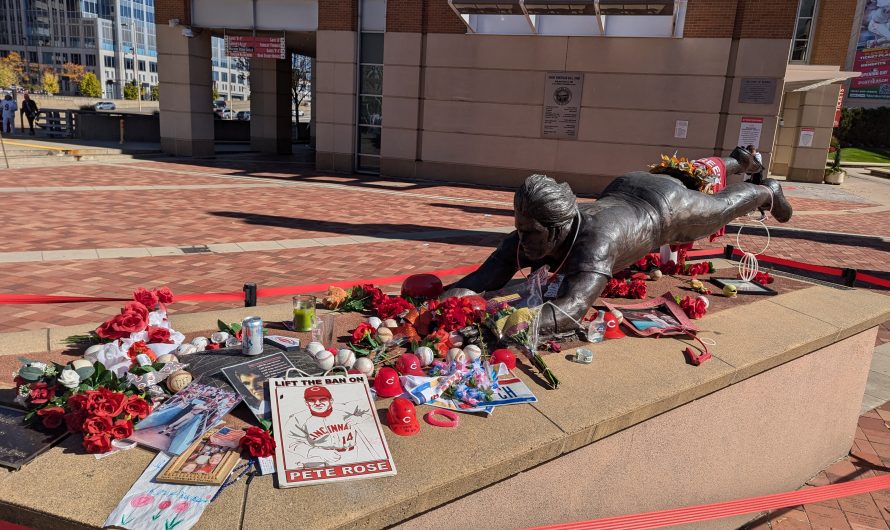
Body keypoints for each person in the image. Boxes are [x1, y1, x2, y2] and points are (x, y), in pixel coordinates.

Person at [448, 147, 793, 339]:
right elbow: (480, 280)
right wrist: (434, 304)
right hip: (625, 186)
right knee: (684, 174)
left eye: (530, 234)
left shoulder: (595, 242)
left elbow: (570, 310)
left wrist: (500, 325)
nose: (521, 241)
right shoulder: (532, 232)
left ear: (556, 229)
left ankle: (766, 191)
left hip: (666, 210)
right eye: (520, 231)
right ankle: (737, 160)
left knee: (720, 209)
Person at [284, 386, 366, 467]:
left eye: (322, 399)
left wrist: (360, 417)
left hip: (353, 454)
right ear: (306, 403)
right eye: (311, 400)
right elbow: (291, 442)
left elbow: (367, 406)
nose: (317, 403)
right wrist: (316, 452)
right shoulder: (298, 419)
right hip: (320, 458)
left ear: (331, 401)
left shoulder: (346, 409)